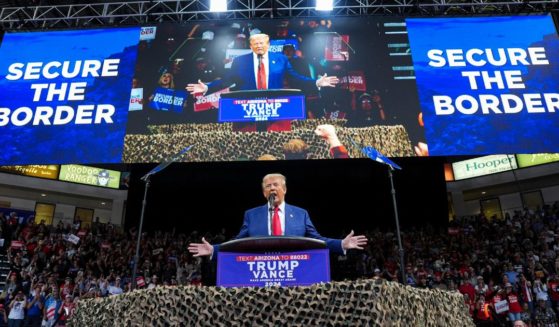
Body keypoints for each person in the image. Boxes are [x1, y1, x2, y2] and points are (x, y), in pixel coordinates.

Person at [188, 173, 367, 258]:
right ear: (263, 192)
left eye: (275, 185)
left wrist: (341, 244)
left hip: (294, 272)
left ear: (284, 189)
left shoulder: (300, 214)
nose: (272, 188)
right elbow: (238, 243)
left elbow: (317, 240)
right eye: (267, 186)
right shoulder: (251, 215)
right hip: (259, 273)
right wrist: (214, 249)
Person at [186, 33, 339, 132]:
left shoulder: (281, 59)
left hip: (275, 108)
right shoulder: (240, 61)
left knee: (276, 139)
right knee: (247, 142)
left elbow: (295, 78)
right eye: (255, 43)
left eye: (262, 43)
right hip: (247, 110)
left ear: (268, 44)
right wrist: (207, 87)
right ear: (251, 46)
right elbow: (227, 80)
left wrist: (316, 82)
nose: (259, 45)